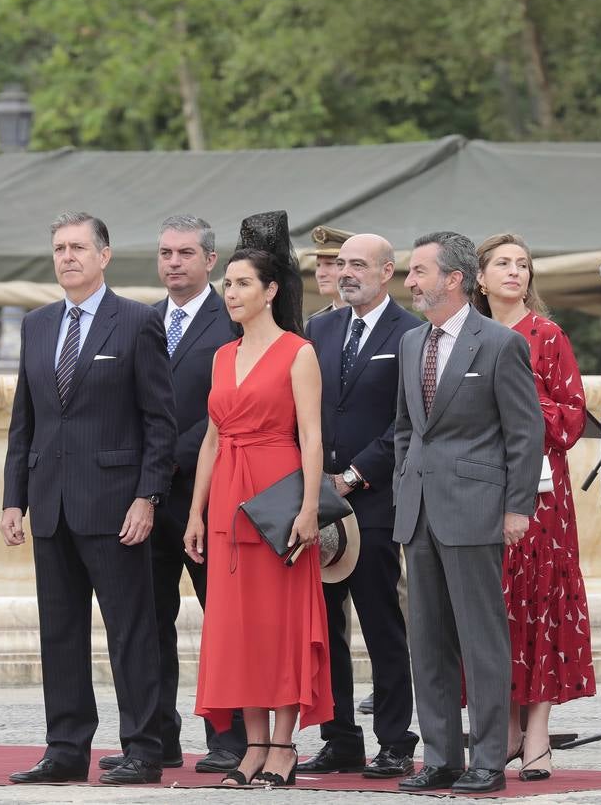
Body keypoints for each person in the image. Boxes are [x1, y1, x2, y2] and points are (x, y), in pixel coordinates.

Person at [1, 212, 176, 787]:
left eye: (78, 247)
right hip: (50, 505)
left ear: (104, 255)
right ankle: (66, 748)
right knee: (60, 632)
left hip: (115, 504)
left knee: (131, 631)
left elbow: (159, 422)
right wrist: (13, 500)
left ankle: (143, 748)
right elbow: (23, 421)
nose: (67, 257)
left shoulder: (138, 322)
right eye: (58, 248)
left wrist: (148, 496)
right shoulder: (37, 324)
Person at [392, 231, 543, 795]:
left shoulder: (500, 344)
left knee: (481, 640)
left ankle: (487, 758)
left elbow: (525, 433)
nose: (409, 282)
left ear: (452, 279)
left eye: (417, 272)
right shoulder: (412, 344)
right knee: (426, 640)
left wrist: (516, 508)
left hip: (477, 510)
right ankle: (440, 756)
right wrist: (406, 486)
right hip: (419, 513)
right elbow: (406, 429)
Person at [186, 211, 334, 789]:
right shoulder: (222, 357)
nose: (232, 293)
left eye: (243, 283)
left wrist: (307, 511)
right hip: (227, 497)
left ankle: (283, 746)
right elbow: (211, 438)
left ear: (271, 290)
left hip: (278, 494)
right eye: (228, 284)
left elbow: (313, 436)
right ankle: (251, 747)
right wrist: (196, 512)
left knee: (281, 624)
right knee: (238, 627)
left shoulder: (299, 352)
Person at [98, 215, 245, 777]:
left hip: (211, 497)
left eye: (185, 252)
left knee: (222, 621)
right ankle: (157, 739)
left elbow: (229, 410)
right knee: (147, 622)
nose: (174, 262)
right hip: (145, 503)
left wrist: (162, 459)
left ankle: (229, 737)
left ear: (210, 260)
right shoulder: (141, 320)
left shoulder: (232, 320)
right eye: (165, 253)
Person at [473, 233, 595, 781]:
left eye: (523, 265)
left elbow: (572, 419)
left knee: (539, 602)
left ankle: (538, 733)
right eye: (502, 264)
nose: (515, 273)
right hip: (476, 487)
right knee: (494, 607)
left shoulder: (548, 335)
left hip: (542, 497)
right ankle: (504, 731)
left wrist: (518, 397)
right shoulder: (465, 335)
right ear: (479, 277)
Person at [300, 234, 422, 779]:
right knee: (325, 629)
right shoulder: (318, 329)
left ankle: (395, 740)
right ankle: (340, 737)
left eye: (357, 265)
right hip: (317, 504)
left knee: (382, 624)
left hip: (375, 502)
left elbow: (412, 421)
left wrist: (351, 477)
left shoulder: (412, 334)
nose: (346, 273)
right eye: (340, 265)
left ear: (388, 271)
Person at [307, 225, 351, 318]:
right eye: (318, 265)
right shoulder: (314, 324)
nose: (320, 274)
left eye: (329, 264)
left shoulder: (379, 318)